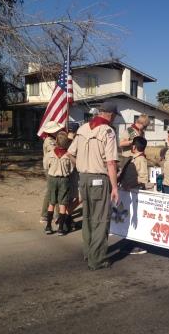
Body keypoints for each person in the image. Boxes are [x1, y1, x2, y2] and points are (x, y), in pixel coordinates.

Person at [68, 102, 120, 271]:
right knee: (100, 220)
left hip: (83, 178)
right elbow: (111, 162)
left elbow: (70, 153)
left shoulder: (82, 128)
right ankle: (97, 259)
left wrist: (81, 166)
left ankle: (89, 252)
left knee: (88, 217)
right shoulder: (108, 131)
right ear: (110, 115)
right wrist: (115, 187)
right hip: (99, 179)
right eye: (114, 117)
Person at [118, 136, 150, 255]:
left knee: (135, 218)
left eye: (132, 144)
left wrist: (130, 185)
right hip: (129, 191)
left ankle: (137, 245)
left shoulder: (141, 159)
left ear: (134, 147)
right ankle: (130, 242)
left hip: (136, 192)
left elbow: (143, 178)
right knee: (129, 217)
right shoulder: (134, 158)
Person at [45, 131, 74, 236]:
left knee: (51, 202)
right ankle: (61, 228)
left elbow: (46, 166)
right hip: (64, 180)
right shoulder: (68, 155)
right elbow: (71, 169)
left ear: (56, 141)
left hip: (52, 178)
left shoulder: (50, 153)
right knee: (63, 203)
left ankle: (48, 226)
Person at [39, 121, 64, 224]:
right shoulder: (49, 141)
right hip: (50, 168)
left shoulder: (53, 139)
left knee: (53, 191)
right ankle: (47, 215)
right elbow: (55, 151)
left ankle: (52, 214)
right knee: (52, 191)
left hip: (54, 167)